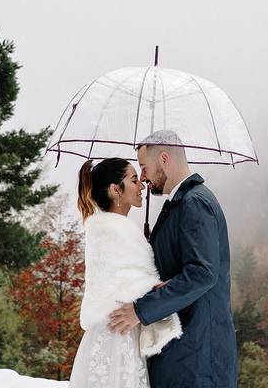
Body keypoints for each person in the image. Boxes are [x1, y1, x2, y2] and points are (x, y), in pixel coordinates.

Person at [108, 130, 237, 388]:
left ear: (164, 159)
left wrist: (140, 311)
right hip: (186, 353)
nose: (142, 178)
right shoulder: (180, 204)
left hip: (197, 357)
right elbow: (181, 268)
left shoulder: (194, 203)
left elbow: (202, 273)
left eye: (144, 168)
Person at [68, 157, 182, 388]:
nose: (141, 184)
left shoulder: (114, 228)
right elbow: (122, 282)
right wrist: (154, 287)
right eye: (133, 180)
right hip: (116, 333)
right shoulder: (111, 230)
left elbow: (125, 273)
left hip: (118, 328)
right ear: (115, 190)